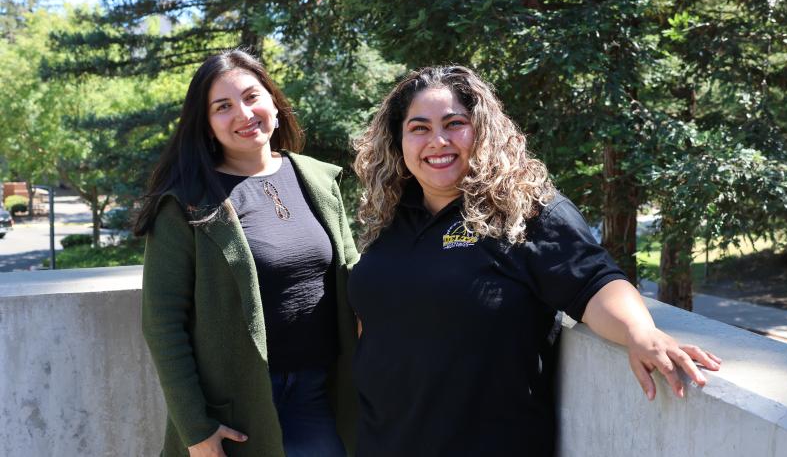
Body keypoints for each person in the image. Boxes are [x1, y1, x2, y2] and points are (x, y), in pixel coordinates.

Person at [349, 65, 722, 457]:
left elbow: (595, 283)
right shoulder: (390, 217)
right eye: (419, 128)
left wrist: (640, 333)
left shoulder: (524, 212)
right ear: (399, 140)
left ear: (482, 130)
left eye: (455, 123)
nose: (438, 141)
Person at [134, 50, 359, 457]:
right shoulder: (185, 203)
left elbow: (353, 278)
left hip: (321, 397)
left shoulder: (318, 178)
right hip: (238, 412)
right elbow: (162, 323)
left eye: (252, 96)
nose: (243, 113)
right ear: (206, 124)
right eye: (223, 106)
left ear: (274, 103)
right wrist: (195, 429)